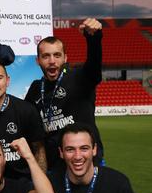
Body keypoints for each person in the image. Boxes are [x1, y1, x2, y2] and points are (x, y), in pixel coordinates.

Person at [25, 18, 105, 171]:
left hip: (87, 163)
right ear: (38, 61)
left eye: (57, 55)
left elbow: (94, 66)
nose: (52, 61)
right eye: (46, 56)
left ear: (65, 58)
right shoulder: (36, 88)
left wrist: (94, 38)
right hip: (54, 169)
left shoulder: (80, 78)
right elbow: (25, 118)